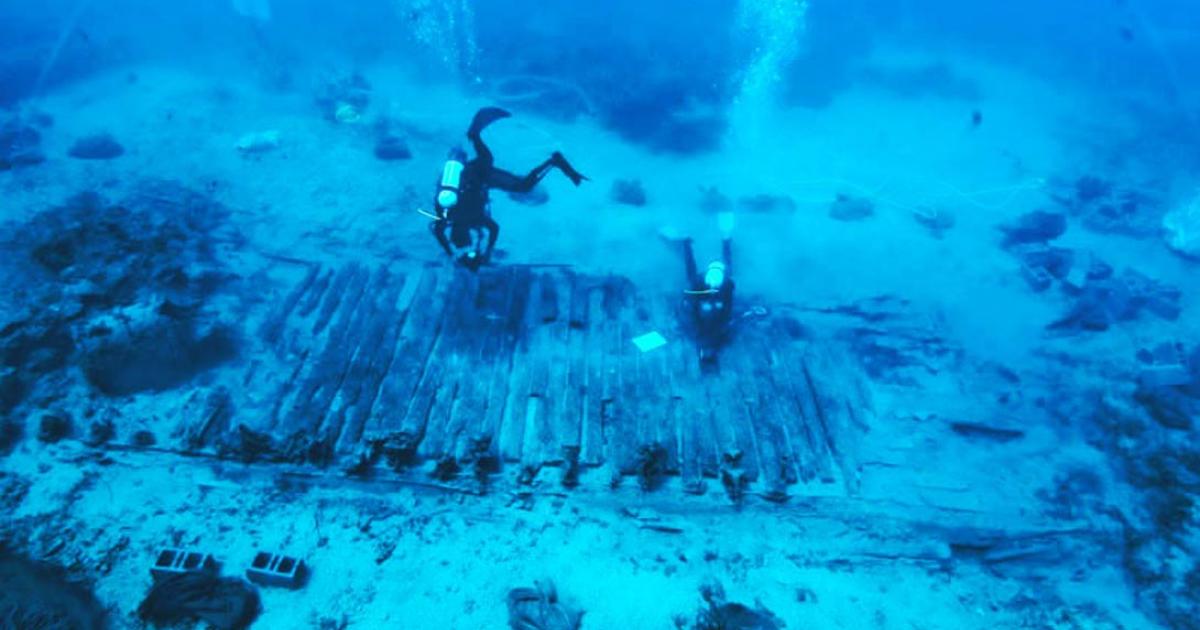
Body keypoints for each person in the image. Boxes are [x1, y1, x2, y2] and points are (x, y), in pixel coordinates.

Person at [429, 107, 587, 269]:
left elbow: (494, 229)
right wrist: (451, 251)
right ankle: (554, 161)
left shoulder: (470, 219)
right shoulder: (448, 217)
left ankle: (474, 135)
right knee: (519, 183)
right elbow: (439, 232)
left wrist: (484, 252)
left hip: (479, 175)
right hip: (479, 178)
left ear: (465, 232)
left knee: (507, 174)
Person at [671, 212, 736, 367]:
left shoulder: (725, 284)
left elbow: (727, 306)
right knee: (695, 273)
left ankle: (688, 242)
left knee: (694, 275)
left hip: (707, 300)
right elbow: (726, 312)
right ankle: (721, 238)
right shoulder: (700, 284)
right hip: (709, 300)